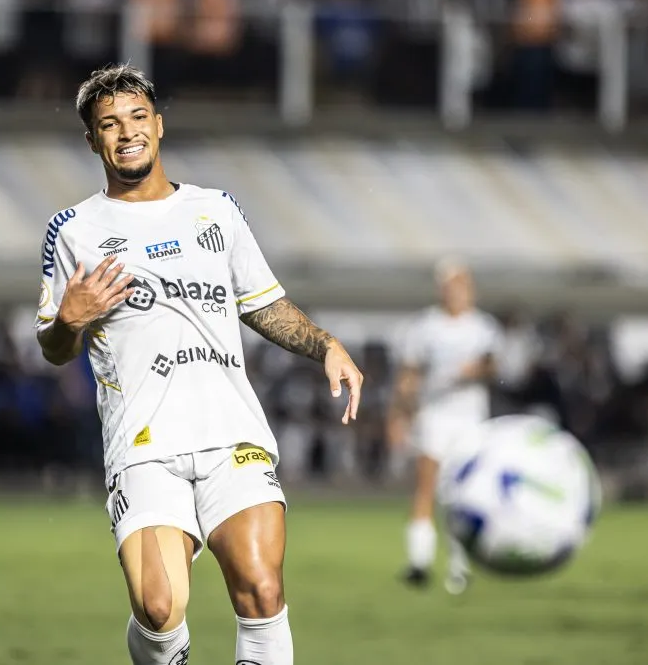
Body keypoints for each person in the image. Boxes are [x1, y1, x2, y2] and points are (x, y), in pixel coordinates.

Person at [34, 64, 363, 665]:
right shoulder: (73, 231)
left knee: (262, 590)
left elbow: (264, 306)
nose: (126, 133)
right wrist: (70, 319)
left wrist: (326, 345)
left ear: (158, 126)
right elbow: (55, 348)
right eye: (109, 125)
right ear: (93, 141)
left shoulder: (216, 211)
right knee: (159, 609)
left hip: (229, 432)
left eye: (136, 118)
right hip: (143, 445)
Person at [386, 259, 502, 594]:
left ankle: (460, 566)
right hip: (435, 415)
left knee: (466, 491)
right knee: (426, 487)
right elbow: (409, 374)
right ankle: (419, 562)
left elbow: (495, 366)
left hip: (471, 417)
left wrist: (476, 370)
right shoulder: (426, 326)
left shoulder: (483, 326)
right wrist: (399, 414)